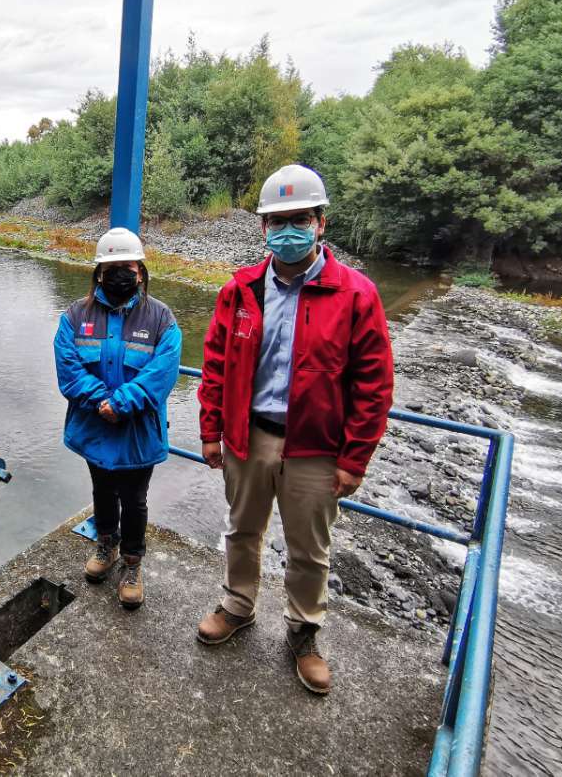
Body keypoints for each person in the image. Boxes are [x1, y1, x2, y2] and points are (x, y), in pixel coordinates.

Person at [195, 165, 394, 695]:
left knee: (309, 551)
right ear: (263, 229)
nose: (288, 230)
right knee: (242, 530)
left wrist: (355, 459)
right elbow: (214, 366)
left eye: (298, 219)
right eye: (277, 221)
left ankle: (303, 633)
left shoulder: (355, 295)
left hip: (316, 448)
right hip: (249, 437)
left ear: (320, 223)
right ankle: (238, 605)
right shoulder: (240, 291)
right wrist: (210, 431)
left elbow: (374, 385)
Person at [54, 227, 182, 609]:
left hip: (137, 431)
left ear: (140, 270)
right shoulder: (76, 315)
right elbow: (68, 367)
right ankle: (105, 544)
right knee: (102, 489)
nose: (120, 273)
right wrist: (100, 402)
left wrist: (122, 403)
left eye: (126, 265)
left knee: (135, 498)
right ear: (98, 272)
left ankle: (131, 562)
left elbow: (163, 370)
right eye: (111, 267)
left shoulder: (161, 318)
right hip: (95, 427)